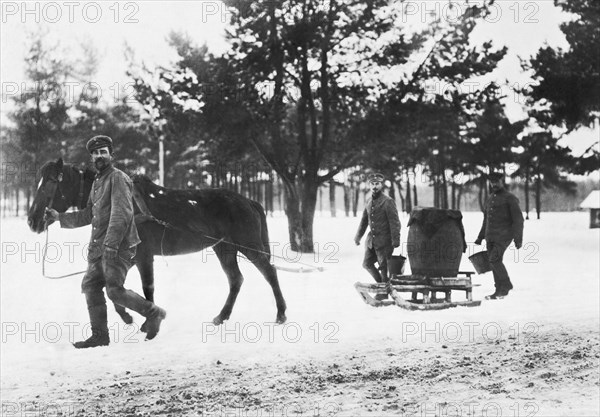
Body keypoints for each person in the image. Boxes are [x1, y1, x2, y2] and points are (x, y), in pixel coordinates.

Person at [45, 135, 166, 348]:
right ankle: (100, 336)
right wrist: (59, 217)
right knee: (90, 285)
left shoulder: (118, 178)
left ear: (111, 155)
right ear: (91, 156)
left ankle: (153, 313)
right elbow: (88, 214)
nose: (99, 156)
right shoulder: (98, 182)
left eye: (103, 152)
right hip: (99, 247)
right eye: (95, 153)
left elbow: (121, 214)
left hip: (117, 246)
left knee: (114, 290)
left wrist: (110, 244)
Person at [475, 172, 524, 300]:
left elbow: (518, 220)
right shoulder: (490, 198)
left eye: (496, 181)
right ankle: (499, 290)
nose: (494, 184)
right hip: (490, 236)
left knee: (494, 259)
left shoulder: (510, 198)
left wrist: (518, 239)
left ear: (502, 182)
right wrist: (480, 237)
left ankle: (506, 285)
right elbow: (486, 220)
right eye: (492, 182)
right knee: (494, 262)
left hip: (504, 236)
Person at [354, 173, 401, 298]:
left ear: (381, 185)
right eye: (372, 184)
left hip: (385, 241)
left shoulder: (388, 201)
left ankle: (383, 293)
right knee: (366, 264)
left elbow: (395, 222)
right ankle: (383, 287)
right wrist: (358, 237)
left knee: (384, 267)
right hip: (372, 242)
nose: (374, 186)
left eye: (377, 184)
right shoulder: (369, 202)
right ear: (369, 185)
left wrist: (395, 239)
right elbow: (364, 221)